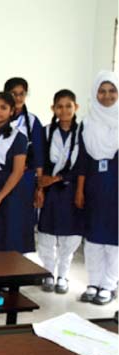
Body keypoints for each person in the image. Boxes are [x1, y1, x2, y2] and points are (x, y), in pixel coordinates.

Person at [37, 90, 84, 294]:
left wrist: (58, 178)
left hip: (72, 189)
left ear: (76, 107)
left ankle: (63, 275)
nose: (64, 110)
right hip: (49, 191)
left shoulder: (83, 132)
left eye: (68, 106)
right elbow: (40, 161)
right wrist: (40, 188)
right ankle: (48, 272)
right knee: (46, 232)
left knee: (70, 234)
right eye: (59, 106)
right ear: (53, 109)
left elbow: (83, 163)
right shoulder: (46, 132)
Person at [78, 71, 118, 305]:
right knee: (93, 238)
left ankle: (110, 284)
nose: (107, 96)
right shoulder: (88, 122)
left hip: (116, 187)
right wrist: (80, 189)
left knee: (114, 240)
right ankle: (93, 281)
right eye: (102, 91)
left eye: (112, 90)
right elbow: (84, 160)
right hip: (94, 186)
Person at [0, 92, 28, 253]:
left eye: (3, 107)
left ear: (12, 111)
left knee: (7, 237)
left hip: (9, 190)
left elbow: (17, 171)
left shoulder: (18, 137)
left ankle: (9, 276)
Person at [4, 77, 45, 254]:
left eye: (22, 94)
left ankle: (18, 266)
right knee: (2, 222)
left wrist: (39, 186)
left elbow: (40, 154)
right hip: (2, 178)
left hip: (25, 180)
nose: (18, 98)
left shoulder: (32, 121)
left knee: (21, 224)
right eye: (14, 93)